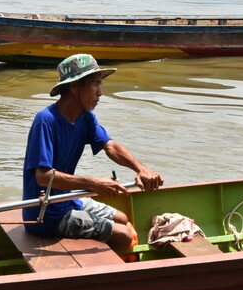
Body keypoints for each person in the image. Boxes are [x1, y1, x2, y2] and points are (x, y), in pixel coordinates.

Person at [22, 53, 163, 254]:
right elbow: (43, 177)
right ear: (74, 86)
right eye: (95, 84)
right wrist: (93, 183)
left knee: (122, 219)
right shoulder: (46, 120)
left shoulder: (85, 118)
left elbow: (110, 146)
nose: (100, 93)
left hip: (68, 199)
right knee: (123, 235)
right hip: (47, 215)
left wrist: (141, 169)